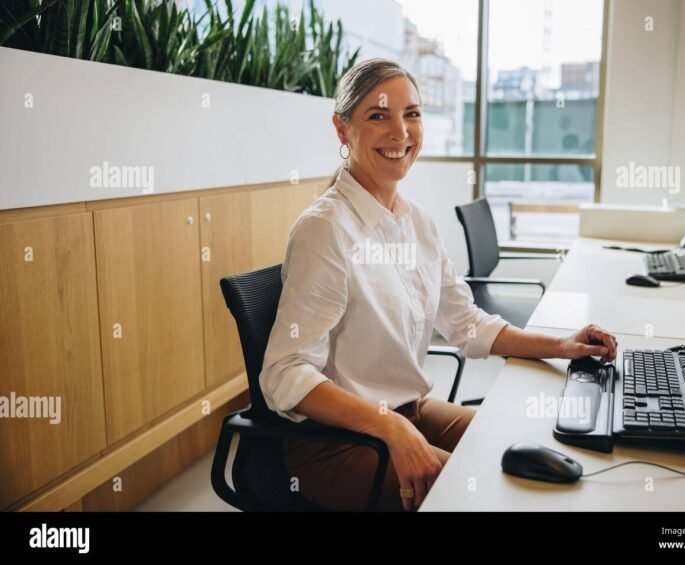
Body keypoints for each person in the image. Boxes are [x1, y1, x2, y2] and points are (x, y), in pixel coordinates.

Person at [259, 58, 617, 512]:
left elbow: (467, 324)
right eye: (379, 116)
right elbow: (285, 372)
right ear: (342, 129)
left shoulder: (418, 223)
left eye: (411, 114)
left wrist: (562, 345)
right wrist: (391, 428)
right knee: (491, 495)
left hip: (409, 412)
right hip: (335, 443)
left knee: (525, 444)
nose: (401, 132)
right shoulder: (325, 230)